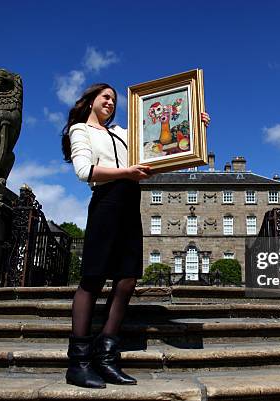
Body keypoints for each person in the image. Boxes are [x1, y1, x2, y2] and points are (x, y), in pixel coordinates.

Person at [61, 83, 210, 388]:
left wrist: (195, 126)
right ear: (90, 101)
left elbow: (157, 149)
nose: (111, 103)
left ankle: (106, 357)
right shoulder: (81, 130)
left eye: (114, 100)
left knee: (128, 277)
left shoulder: (123, 132)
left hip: (131, 202)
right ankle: (78, 362)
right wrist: (127, 173)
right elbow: (85, 171)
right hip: (106, 201)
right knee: (92, 278)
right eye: (106, 97)